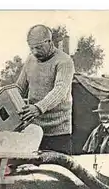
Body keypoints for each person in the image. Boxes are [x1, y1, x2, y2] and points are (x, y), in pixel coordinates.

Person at [15, 24, 75, 154]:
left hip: (58, 134)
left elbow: (60, 90)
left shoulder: (64, 61)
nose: (35, 52)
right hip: (34, 131)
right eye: (32, 48)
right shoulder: (30, 60)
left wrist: (38, 108)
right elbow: (19, 87)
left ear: (49, 41)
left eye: (39, 47)